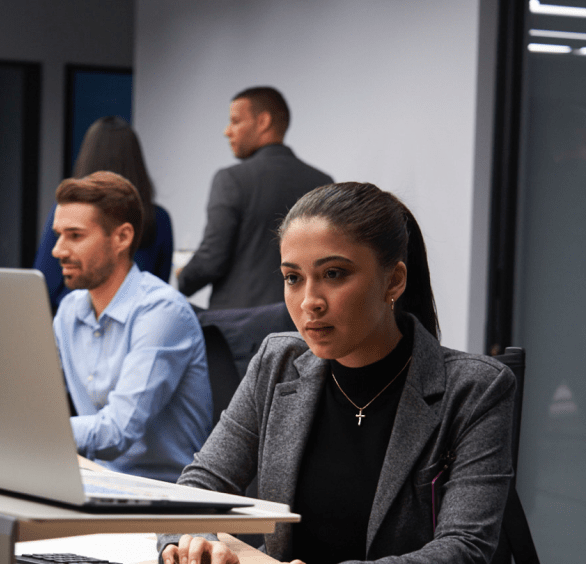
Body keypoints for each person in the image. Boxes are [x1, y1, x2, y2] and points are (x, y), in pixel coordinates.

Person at [159, 182, 515, 563]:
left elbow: (464, 550)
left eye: (333, 274)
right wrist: (194, 542)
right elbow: (199, 486)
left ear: (393, 280)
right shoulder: (276, 363)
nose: (310, 301)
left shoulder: (475, 389)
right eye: (293, 278)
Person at [51, 171, 211, 482]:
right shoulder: (69, 311)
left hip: (166, 498)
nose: (58, 250)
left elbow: (116, 433)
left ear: (122, 238)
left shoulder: (161, 312)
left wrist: (31, 430)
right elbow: (36, 396)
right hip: (98, 481)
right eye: (58, 234)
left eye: (75, 235)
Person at [177, 86, 333, 309]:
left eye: (235, 121)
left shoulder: (231, 179)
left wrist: (183, 279)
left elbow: (212, 259)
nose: (227, 131)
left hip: (238, 327)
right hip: (301, 319)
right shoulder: (323, 183)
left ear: (263, 122)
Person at [35, 116, 174, 312]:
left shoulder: (68, 216)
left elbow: (44, 286)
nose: (59, 251)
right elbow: (159, 284)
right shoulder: (159, 219)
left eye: (75, 235)